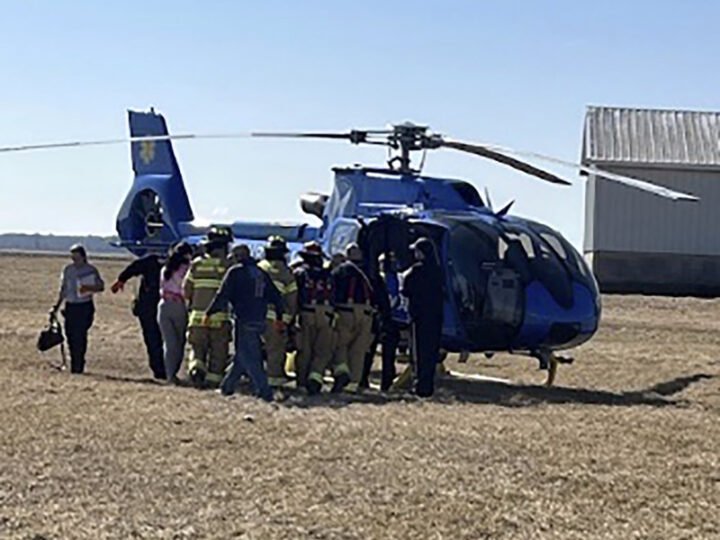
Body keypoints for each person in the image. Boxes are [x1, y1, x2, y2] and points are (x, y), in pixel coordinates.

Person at [205, 244, 285, 401]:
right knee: (242, 356)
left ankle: (265, 392)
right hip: (260, 320)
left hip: (244, 320)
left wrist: (209, 313)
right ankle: (226, 388)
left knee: (249, 356)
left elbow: (222, 295)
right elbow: (276, 297)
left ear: (237, 257)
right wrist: (279, 318)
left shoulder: (235, 272)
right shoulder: (261, 273)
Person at [183, 227, 233, 387]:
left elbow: (186, 290)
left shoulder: (197, 265)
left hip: (197, 318)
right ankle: (213, 381)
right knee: (219, 354)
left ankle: (196, 369)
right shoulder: (229, 266)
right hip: (220, 319)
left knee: (197, 349)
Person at [294, 241, 340, 395]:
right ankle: (315, 378)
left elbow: (295, 296)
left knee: (305, 349)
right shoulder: (329, 275)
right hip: (326, 314)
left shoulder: (300, 273)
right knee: (322, 350)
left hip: (307, 313)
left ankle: (302, 382)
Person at [110, 251, 165, 379]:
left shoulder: (149, 262)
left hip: (150, 308)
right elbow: (133, 268)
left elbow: (133, 268)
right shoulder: (168, 261)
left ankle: (160, 369)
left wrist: (121, 279)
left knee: (154, 340)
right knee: (161, 339)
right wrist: (121, 279)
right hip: (156, 308)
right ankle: (162, 369)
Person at [52, 244, 105, 374]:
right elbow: (63, 289)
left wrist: (89, 288)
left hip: (84, 306)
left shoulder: (91, 270)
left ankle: (79, 364)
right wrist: (56, 306)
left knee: (80, 335)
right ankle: (74, 362)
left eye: (77, 257)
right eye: (72, 257)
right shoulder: (68, 270)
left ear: (83, 257)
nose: (74, 260)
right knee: (70, 334)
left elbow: (100, 286)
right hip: (70, 306)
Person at [402, 237, 444, 397]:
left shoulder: (416, 271)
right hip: (436, 316)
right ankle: (429, 385)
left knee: (418, 351)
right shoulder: (438, 271)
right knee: (431, 351)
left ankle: (420, 386)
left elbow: (406, 290)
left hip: (419, 316)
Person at [331, 243, 375, 393]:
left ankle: (342, 374)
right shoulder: (370, 272)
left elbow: (332, 290)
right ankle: (353, 385)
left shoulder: (341, 270)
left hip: (346, 312)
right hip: (367, 314)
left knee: (340, 345)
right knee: (358, 351)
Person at [258, 237, 298, 387]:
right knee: (275, 349)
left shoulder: (258, 268)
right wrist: (287, 321)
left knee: (252, 347)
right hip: (276, 319)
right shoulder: (286, 273)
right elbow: (292, 300)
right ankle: (273, 380)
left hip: (255, 317)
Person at [361, 252, 401, 392]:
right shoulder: (393, 278)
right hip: (386, 318)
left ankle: (371, 380)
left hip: (385, 318)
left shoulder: (377, 279)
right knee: (376, 352)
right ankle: (381, 381)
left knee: (372, 351)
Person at [158, 242, 193, 383]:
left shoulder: (165, 269)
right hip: (179, 306)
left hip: (163, 305)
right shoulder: (186, 269)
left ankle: (169, 374)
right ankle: (173, 373)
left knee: (169, 343)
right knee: (178, 343)